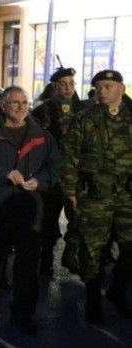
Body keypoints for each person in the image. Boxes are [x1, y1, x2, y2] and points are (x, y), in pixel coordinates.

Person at [0, 86, 61, 335]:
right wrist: (3, 173)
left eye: (24, 102)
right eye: (15, 102)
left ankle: (22, 313)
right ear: (3, 105)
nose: (20, 107)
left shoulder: (41, 134)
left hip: (30, 210)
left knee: (27, 265)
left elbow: (56, 166)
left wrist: (41, 181)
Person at [61, 69, 132, 324]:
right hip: (94, 195)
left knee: (130, 249)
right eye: (98, 86)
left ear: (121, 90)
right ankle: (92, 299)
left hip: (127, 195)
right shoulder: (84, 119)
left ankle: (117, 291)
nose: (101, 91)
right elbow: (69, 157)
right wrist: (70, 191)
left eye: (108, 86)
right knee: (93, 250)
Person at [31, 66, 86, 276]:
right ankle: (45, 260)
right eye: (63, 84)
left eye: (71, 83)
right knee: (48, 221)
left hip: (77, 177)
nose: (68, 88)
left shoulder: (83, 110)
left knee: (78, 218)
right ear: (54, 86)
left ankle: (71, 255)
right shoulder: (43, 111)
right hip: (52, 176)